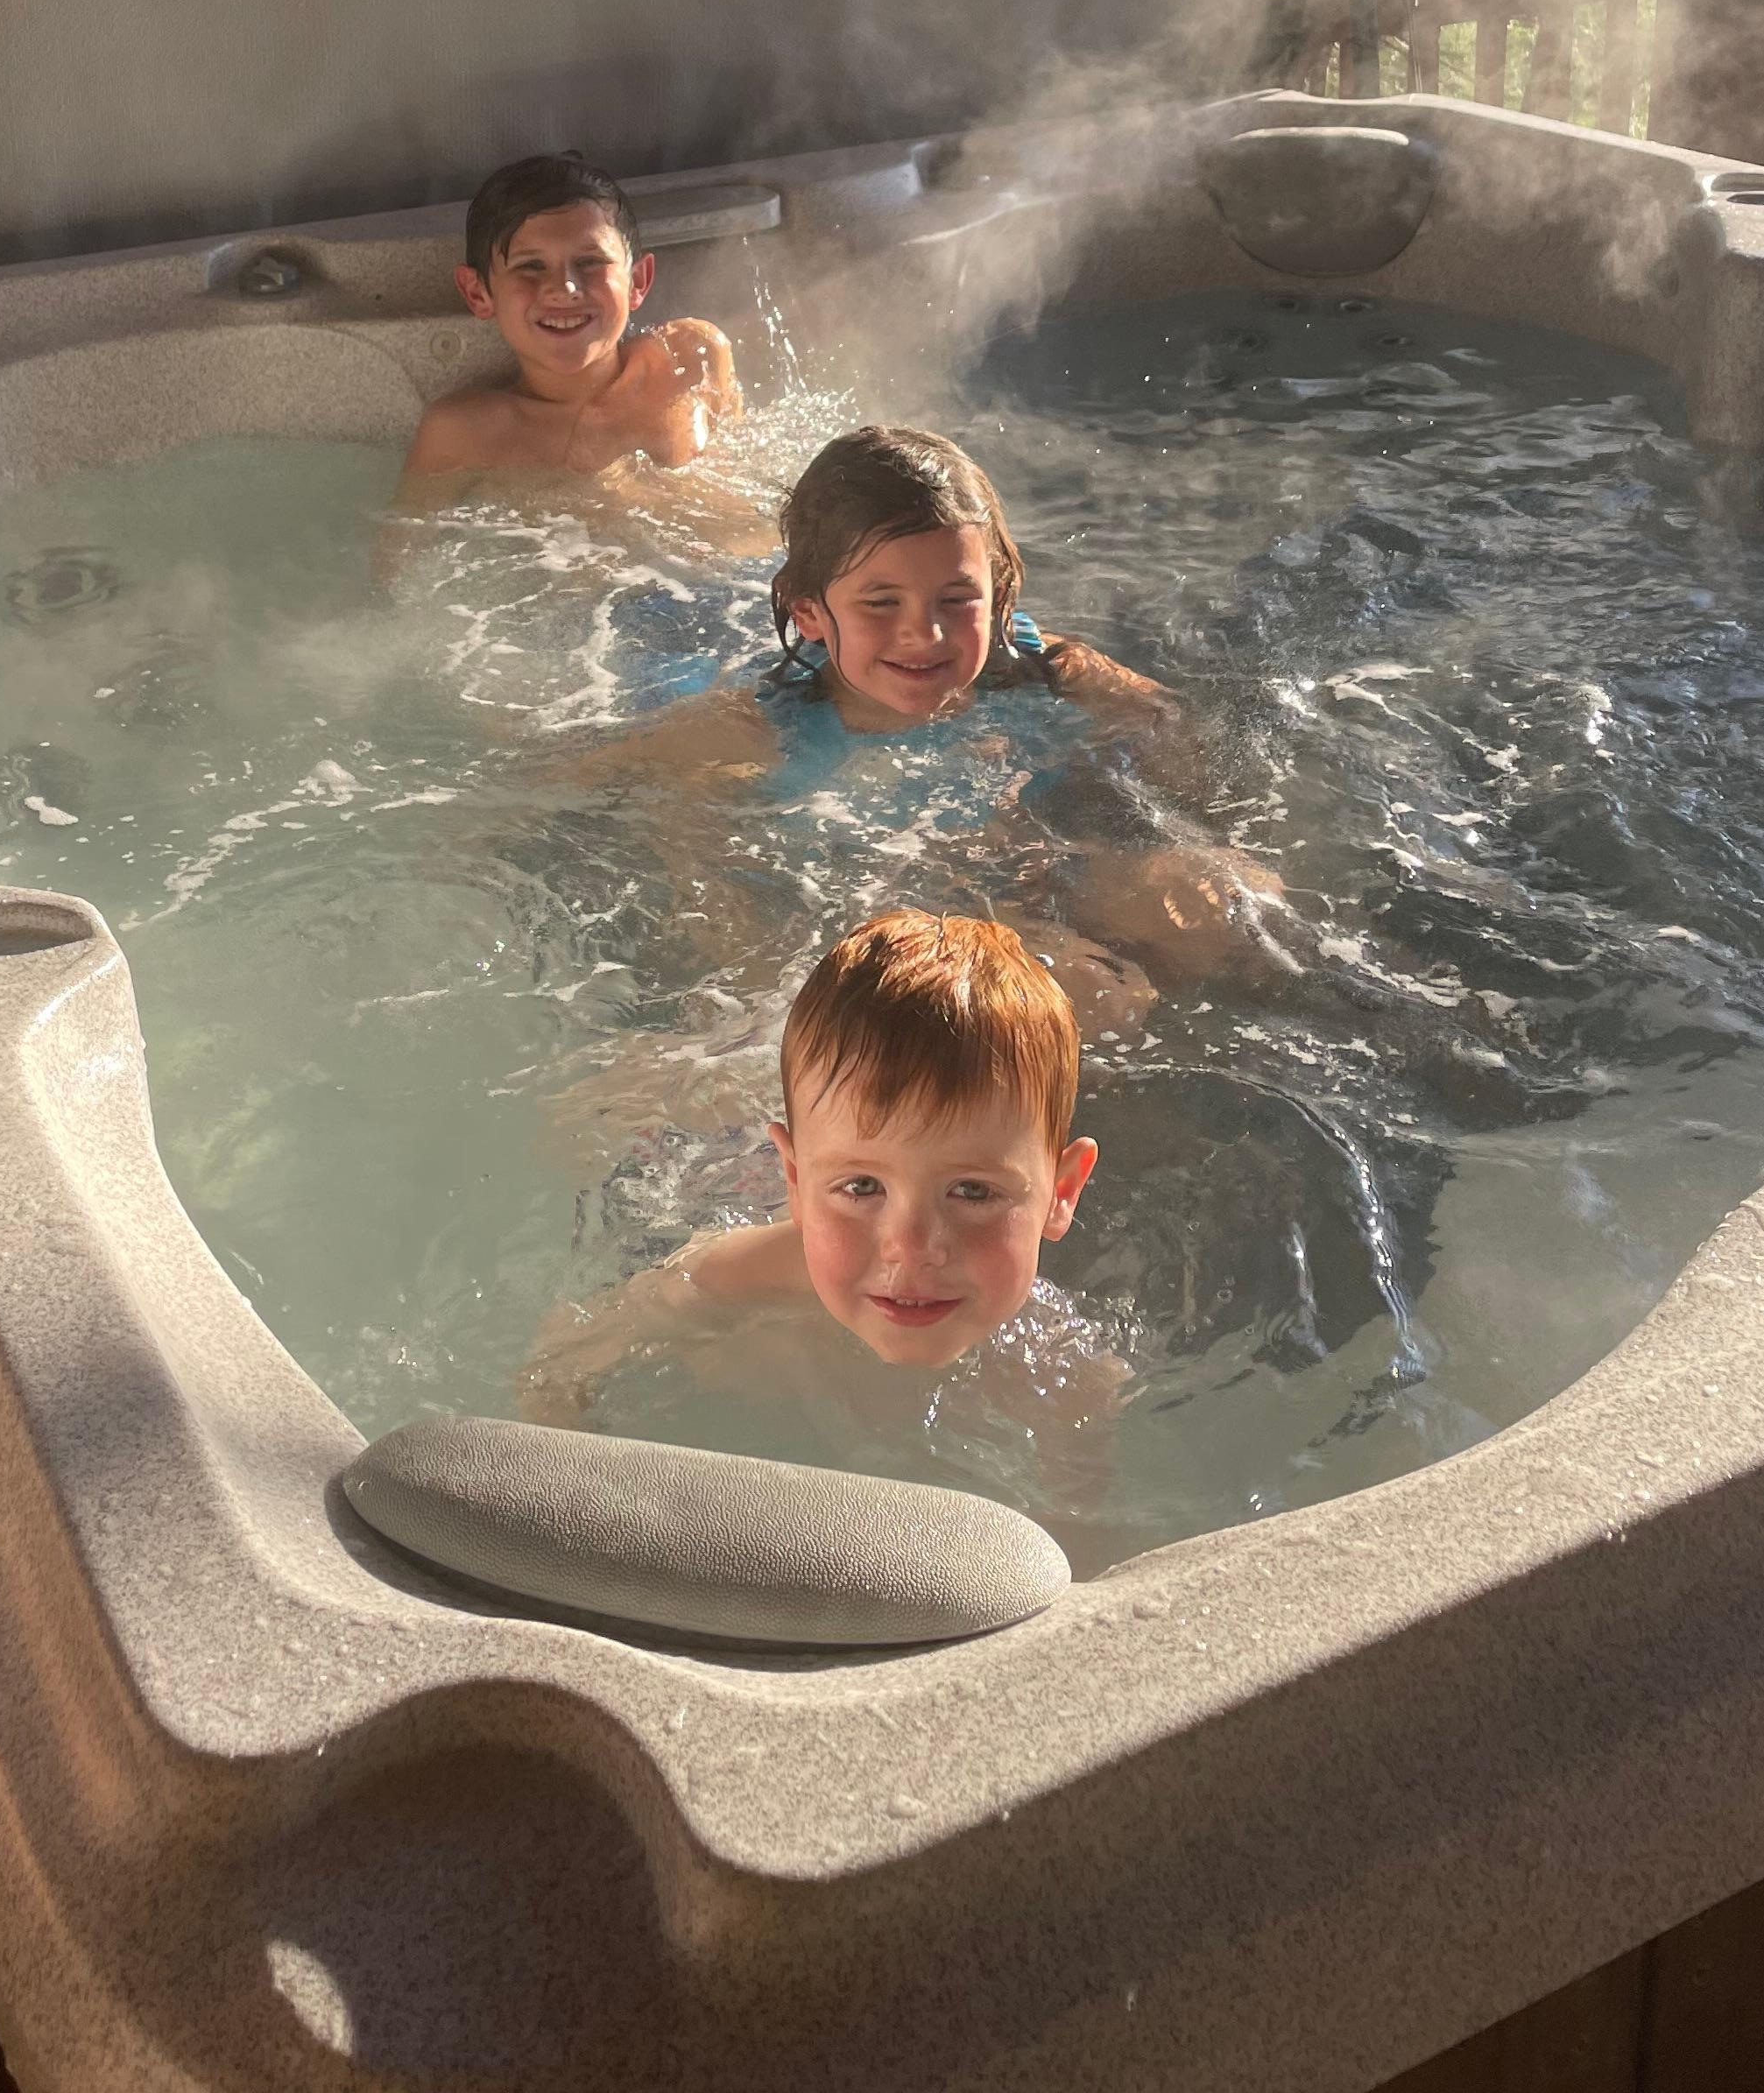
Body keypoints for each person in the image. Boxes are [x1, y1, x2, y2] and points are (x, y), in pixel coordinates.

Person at [607, 421, 1294, 993]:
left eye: (957, 600)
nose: (925, 633)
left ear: (996, 593)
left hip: (1059, 869)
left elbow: (1170, 721)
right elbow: (587, 777)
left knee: (1233, 902)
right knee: (1094, 998)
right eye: (882, 602)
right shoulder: (766, 727)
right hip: (920, 934)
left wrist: (1169, 803)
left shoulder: (1043, 667)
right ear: (808, 611)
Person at [521, 912, 1110, 1415]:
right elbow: (556, 1361)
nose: (910, 1246)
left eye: (974, 1193)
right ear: (797, 1184)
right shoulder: (725, 1280)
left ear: (1062, 1192)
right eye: (862, 1186)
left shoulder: (1072, 1373)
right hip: (700, 1164)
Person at [397, 153, 743, 495]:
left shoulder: (688, 359)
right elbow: (400, 548)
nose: (564, 289)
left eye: (590, 261)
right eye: (531, 266)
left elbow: (748, 483)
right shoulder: (465, 434)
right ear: (478, 293)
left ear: (638, 281)